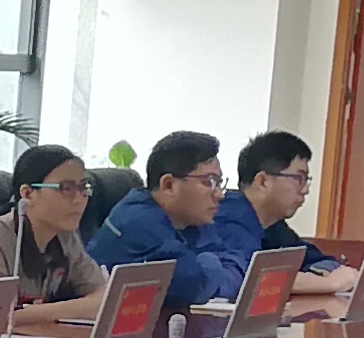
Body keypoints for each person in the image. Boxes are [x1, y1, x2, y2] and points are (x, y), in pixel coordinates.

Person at [0, 143, 111, 329]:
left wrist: (33, 313)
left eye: (83, 187)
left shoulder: (65, 235)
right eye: (66, 188)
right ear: (27, 193)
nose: (79, 199)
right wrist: (73, 309)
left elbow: (104, 298)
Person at [87, 130, 248, 307]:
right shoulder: (139, 222)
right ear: (169, 185)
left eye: (219, 183)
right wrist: (211, 262)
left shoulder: (191, 218)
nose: (219, 195)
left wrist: (208, 269)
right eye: (209, 182)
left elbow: (238, 266)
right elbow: (193, 286)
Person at [203, 128, 357, 295]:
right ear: (263, 181)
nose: (305, 190)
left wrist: (316, 276)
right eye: (298, 179)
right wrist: (329, 283)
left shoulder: (272, 224)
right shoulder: (229, 218)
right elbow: (250, 278)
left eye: (306, 180)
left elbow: (318, 260)